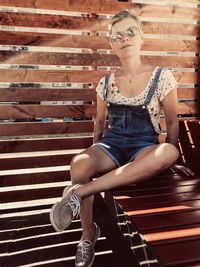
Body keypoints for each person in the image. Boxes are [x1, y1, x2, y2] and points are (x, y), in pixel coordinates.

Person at [50, 10, 194, 267]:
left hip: (145, 147)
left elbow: (172, 122)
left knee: (169, 152)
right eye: (118, 35)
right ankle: (87, 235)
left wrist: (169, 163)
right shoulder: (106, 83)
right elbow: (100, 123)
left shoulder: (161, 77)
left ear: (141, 37)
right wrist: (94, 150)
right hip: (112, 145)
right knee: (79, 163)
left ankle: (78, 193)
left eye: (131, 32)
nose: (125, 38)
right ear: (111, 44)